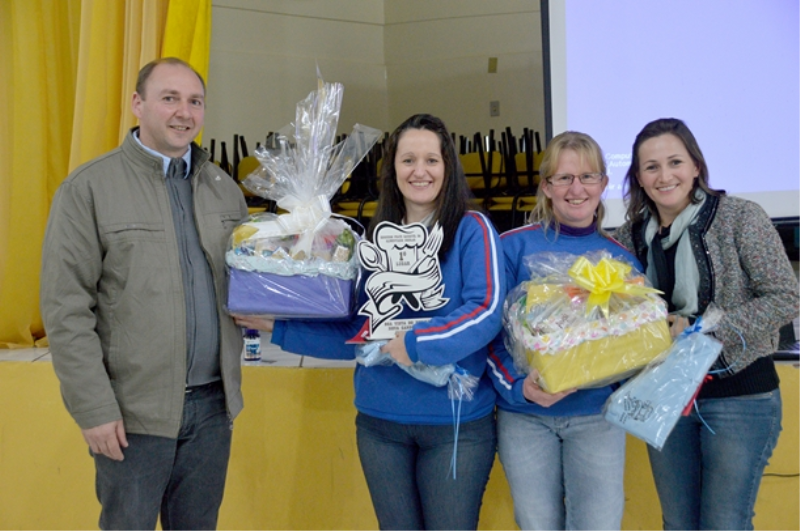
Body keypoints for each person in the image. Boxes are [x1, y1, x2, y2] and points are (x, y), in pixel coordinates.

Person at [235, 114, 505, 531]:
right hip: (380, 425)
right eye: (408, 160)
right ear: (392, 169)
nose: (419, 171)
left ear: (448, 167)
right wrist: (277, 326)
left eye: (431, 160)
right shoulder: (374, 237)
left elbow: (485, 312)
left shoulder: (472, 229)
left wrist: (415, 343)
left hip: (454, 425)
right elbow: (354, 333)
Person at [40, 57, 248, 531]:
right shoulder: (89, 189)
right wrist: (93, 408)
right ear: (137, 103)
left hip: (213, 410)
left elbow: (247, 284)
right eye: (169, 98)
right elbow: (66, 310)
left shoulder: (224, 190)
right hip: (132, 414)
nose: (184, 113)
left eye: (195, 101)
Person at [614, 117, 800, 530]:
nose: (665, 176)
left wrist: (703, 328)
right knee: (678, 523)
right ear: (639, 178)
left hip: (740, 398)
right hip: (667, 397)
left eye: (675, 162)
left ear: (696, 166)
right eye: (651, 167)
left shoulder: (740, 217)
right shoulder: (629, 237)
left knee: (724, 524)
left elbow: (787, 297)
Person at [487, 131, 635, 531]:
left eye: (588, 177)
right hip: (526, 418)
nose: (576, 188)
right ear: (546, 186)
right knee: (537, 524)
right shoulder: (510, 248)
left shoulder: (622, 260)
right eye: (564, 178)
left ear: (604, 184)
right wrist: (519, 388)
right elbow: (489, 335)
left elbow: (632, 346)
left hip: (597, 418)